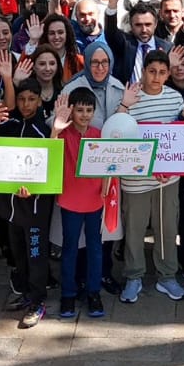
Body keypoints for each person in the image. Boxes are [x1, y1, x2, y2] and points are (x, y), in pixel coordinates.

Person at [114, 52, 184, 304]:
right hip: (135, 181)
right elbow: (118, 136)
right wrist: (124, 105)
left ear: (168, 74)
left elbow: (178, 139)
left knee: (167, 228)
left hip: (167, 180)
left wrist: (169, 166)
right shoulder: (131, 97)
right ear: (143, 71)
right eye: (151, 71)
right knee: (134, 230)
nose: (156, 77)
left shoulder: (175, 98)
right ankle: (134, 276)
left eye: (161, 72)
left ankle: (167, 276)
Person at [0, 82, 56, 328]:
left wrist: (34, 190)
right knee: (19, 255)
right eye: (22, 99)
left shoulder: (43, 132)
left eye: (31, 99)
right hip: (11, 209)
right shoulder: (9, 125)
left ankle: (38, 301)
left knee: (36, 256)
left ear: (39, 101)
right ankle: (25, 293)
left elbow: (51, 172)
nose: (26, 104)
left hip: (34, 210)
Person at [55, 87, 108, 319]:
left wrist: (106, 186)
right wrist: (56, 129)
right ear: (71, 111)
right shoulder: (63, 134)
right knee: (70, 247)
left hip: (95, 199)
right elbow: (50, 152)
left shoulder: (98, 134)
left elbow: (108, 164)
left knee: (95, 248)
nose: (84, 115)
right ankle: (68, 293)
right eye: (79, 110)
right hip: (70, 199)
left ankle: (93, 292)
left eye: (89, 110)